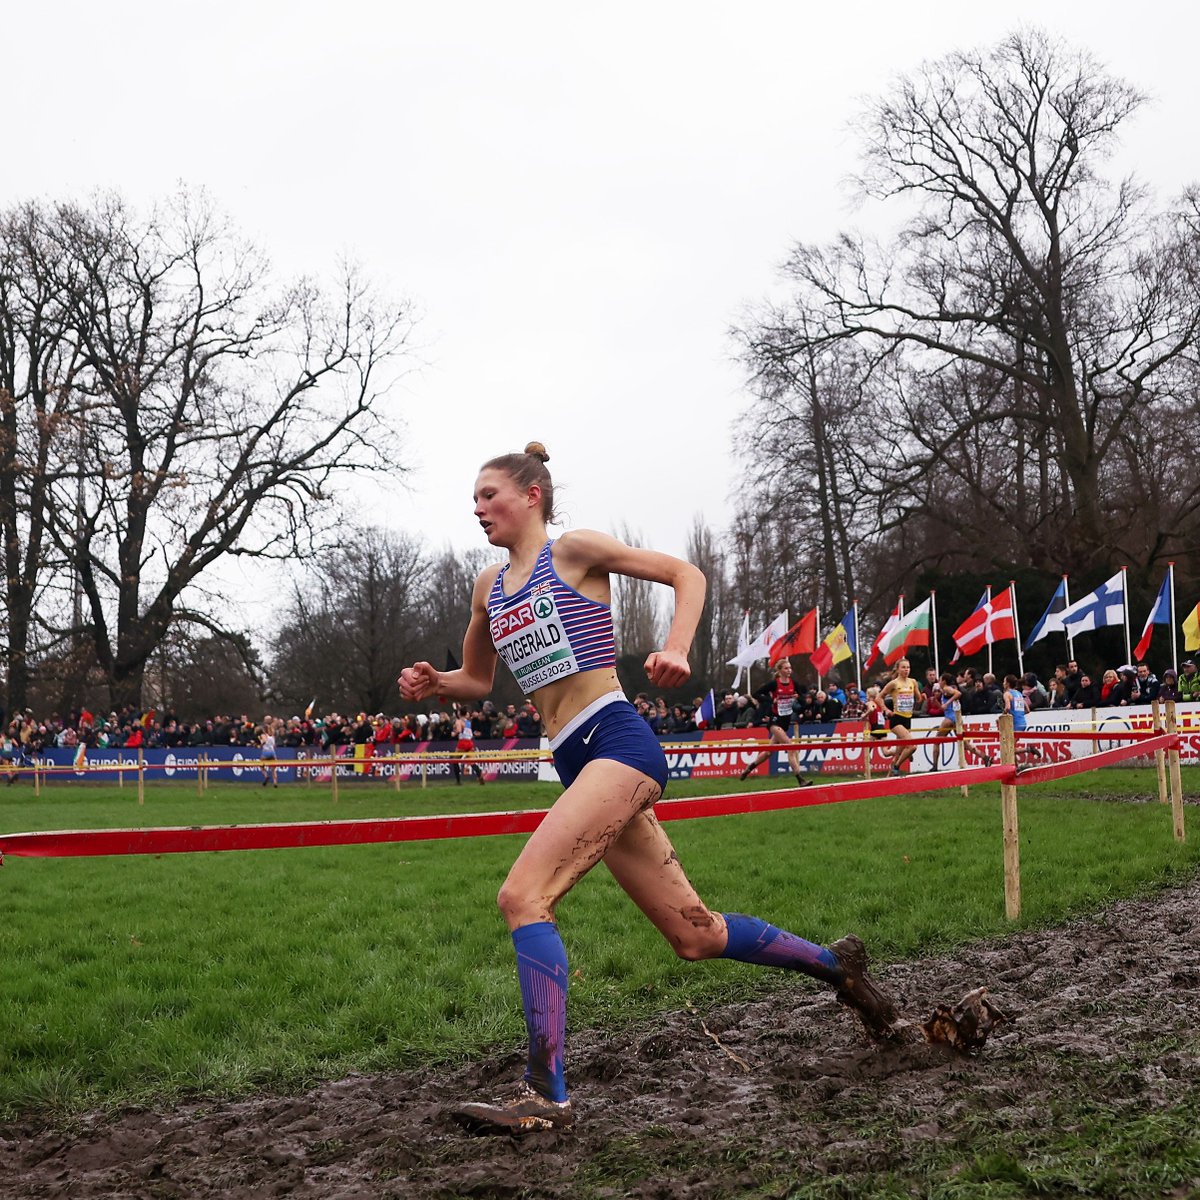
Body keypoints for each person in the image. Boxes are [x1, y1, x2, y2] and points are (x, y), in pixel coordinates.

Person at [398, 442, 897, 1135]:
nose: (477, 508)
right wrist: (436, 683)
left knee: (523, 895)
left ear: (531, 494)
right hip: (577, 761)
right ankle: (837, 969)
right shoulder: (487, 588)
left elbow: (685, 573)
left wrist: (678, 647)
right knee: (695, 934)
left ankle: (545, 1093)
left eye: (489, 495)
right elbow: (478, 681)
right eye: (474, 499)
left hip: (618, 742)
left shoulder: (574, 551)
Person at [738, 658, 812, 786]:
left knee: (768, 752)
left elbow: (804, 701)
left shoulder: (794, 684)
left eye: (790, 668)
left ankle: (750, 767)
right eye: (786, 668)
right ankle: (800, 779)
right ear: (780, 670)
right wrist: (770, 700)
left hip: (785, 721)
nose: (789, 670)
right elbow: (756, 694)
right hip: (774, 721)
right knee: (790, 746)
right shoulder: (774, 684)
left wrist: (798, 698)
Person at [878, 658, 921, 775]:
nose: (906, 670)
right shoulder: (894, 683)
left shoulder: (913, 682)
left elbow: (918, 699)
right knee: (912, 747)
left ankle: (889, 779)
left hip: (908, 719)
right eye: (903, 667)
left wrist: (922, 697)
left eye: (908, 667)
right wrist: (886, 710)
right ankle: (897, 766)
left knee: (898, 754)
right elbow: (879, 697)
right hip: (896, 719)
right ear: (897, 669)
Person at [451, 704, 485, 785]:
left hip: (462, 742)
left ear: (459, 713)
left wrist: (453, 733)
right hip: (470, 742)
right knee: (472, 762)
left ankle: (458, 781)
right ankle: (480, 775)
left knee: (455, 761)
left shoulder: (459, 721)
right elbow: (462, 714)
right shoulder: (468, 722)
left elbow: (459, 730)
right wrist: (459, 708)